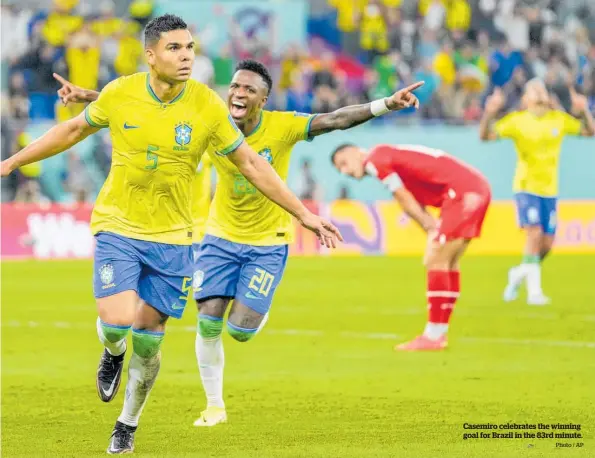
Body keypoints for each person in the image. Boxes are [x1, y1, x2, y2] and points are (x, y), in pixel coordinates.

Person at [0, 14, 342, 455]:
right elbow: (72, 129)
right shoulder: (121, 92)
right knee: (119, 323)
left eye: (190, 48)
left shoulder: (206, 105)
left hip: (175, 239)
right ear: (151, 55)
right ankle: (111, 350)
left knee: (148, 341)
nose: (186, 57)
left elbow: (254, 165)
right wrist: (10, 163)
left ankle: (127, 424)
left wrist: (304, 214)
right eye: (175, 48)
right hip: (119, 226)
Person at [53, 60, 425, 424]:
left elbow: (334, 120)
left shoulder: (283, 126)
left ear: (263, 100)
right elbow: (149, 107)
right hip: (219, 237)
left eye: (249, 89)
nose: (238, 93)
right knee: (208, 321)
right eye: (235, 86)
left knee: (240, 331)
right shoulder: (213, 123)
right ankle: (214, 406)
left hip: (268, 240)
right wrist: (88, 95)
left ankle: (255, 310)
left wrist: (385, 105)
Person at [331, 143, 492, 351]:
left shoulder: (374, 160)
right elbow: (413, 195)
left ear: (355, 151)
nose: (345, 171)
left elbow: (402, 196)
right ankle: (438, 334)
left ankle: (433, 335)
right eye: (340, 169)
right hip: (472, 188)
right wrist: (428, 224)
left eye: (343, 163)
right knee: (448, 262)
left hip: (461, 193)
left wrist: (428, 225)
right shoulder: (388, 156)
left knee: (435, 259)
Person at [479, 79, 594, 305]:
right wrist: (489, 113)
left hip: (550, 190)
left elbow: (590, 132)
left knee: (547, 244)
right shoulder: (517, 121)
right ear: (526, 99)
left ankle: (518, 274)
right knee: (533, 235)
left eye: (542, 89)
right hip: (526, 187)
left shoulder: (558, 120)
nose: (539, 93)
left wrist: (584, 112)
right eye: (534, 90)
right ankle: (534, 292)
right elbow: (485, 136)